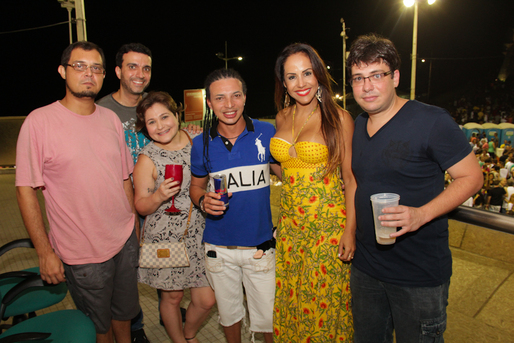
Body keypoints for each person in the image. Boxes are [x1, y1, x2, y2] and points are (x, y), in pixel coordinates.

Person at [347, 33, 483, 343]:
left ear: (395, 77)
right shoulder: (356, 126)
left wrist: (421, 215)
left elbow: (472, 178)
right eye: (358, 78)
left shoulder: (431, 121)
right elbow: (356, 181)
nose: (367, 86)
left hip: (418, 275)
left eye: (376, 75)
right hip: (366, 268)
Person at [15, 41, 140, 343]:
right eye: (79, 66)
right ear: (62, 71)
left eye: (96, 68)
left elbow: (124, 178)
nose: (89, 74)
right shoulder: (38, 122)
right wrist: (44, 251)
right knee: (99, 327)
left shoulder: (110, 119)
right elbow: (26, 191)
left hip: (124, 240)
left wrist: (134, 224)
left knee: (124, 314)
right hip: (82, 251)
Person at [270, 43, 356, 342]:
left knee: (324, 305)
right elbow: (286, 167)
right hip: (291, 228)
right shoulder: (282, 117)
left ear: (318, 75)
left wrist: (350, 231)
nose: (301, 83)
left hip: (328, 227)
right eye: (291, 76)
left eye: (307, 73)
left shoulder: (339, 118)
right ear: (284, 82)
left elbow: (351, 179)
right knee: (293, 302)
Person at [190, 68, 280, 343]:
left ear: (244, 97)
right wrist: (204, 200)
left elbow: (289, 173)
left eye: (235, 96)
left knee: (267, 320)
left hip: (260, 249)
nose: (229, 105)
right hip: (219, 250)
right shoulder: (200, 143)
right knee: (229, 317)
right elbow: (195, 186)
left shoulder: (266, 132)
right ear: (209, 103)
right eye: (220, 98)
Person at [133, 91, 215, 343]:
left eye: (164, 117)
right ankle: (180, 341)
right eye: (151, 122)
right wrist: (158, 195)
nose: (160, 126)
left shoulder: (197, 141)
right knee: (172, 297)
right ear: (145, 128)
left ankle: (189, 333)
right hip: (164, 237)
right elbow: (141, 206)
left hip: (199, 232)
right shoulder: (147, 158)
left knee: (206, 299)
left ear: (176, 115)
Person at [96, 41, 152, 343]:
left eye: (146, 68)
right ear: (118, 71)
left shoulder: (152, 106)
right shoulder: (101, 109)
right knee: (122, 272)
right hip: (117, 207)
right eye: (132, 66)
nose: (140, 73)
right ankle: (133, 325)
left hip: (153, 200)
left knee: (152, 263)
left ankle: (141, 319)